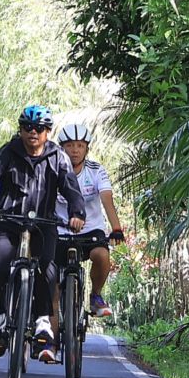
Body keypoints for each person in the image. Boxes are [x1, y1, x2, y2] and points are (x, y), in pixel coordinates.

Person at [0, 105, 85, 363]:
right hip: (8, 220)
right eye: (27, 128)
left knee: (47, 267)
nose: (33, 133)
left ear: (48, 132)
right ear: (21, 130)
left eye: (39, 129)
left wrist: (77, 213)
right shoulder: (8, 152)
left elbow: (71, 188)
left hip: (42, 223)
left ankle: (43, 318)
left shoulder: (58, 156)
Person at [55, 123, 125, 318]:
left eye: (79, 145)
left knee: (102, 255)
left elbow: (106, 197)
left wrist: (116, 228)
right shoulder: (52, 170)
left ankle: (95, 296)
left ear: (86, 148)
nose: (75, 150)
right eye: (69, 146)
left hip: (90, 230)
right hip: (60, 230)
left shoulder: (96, 170)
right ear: (61, 148)